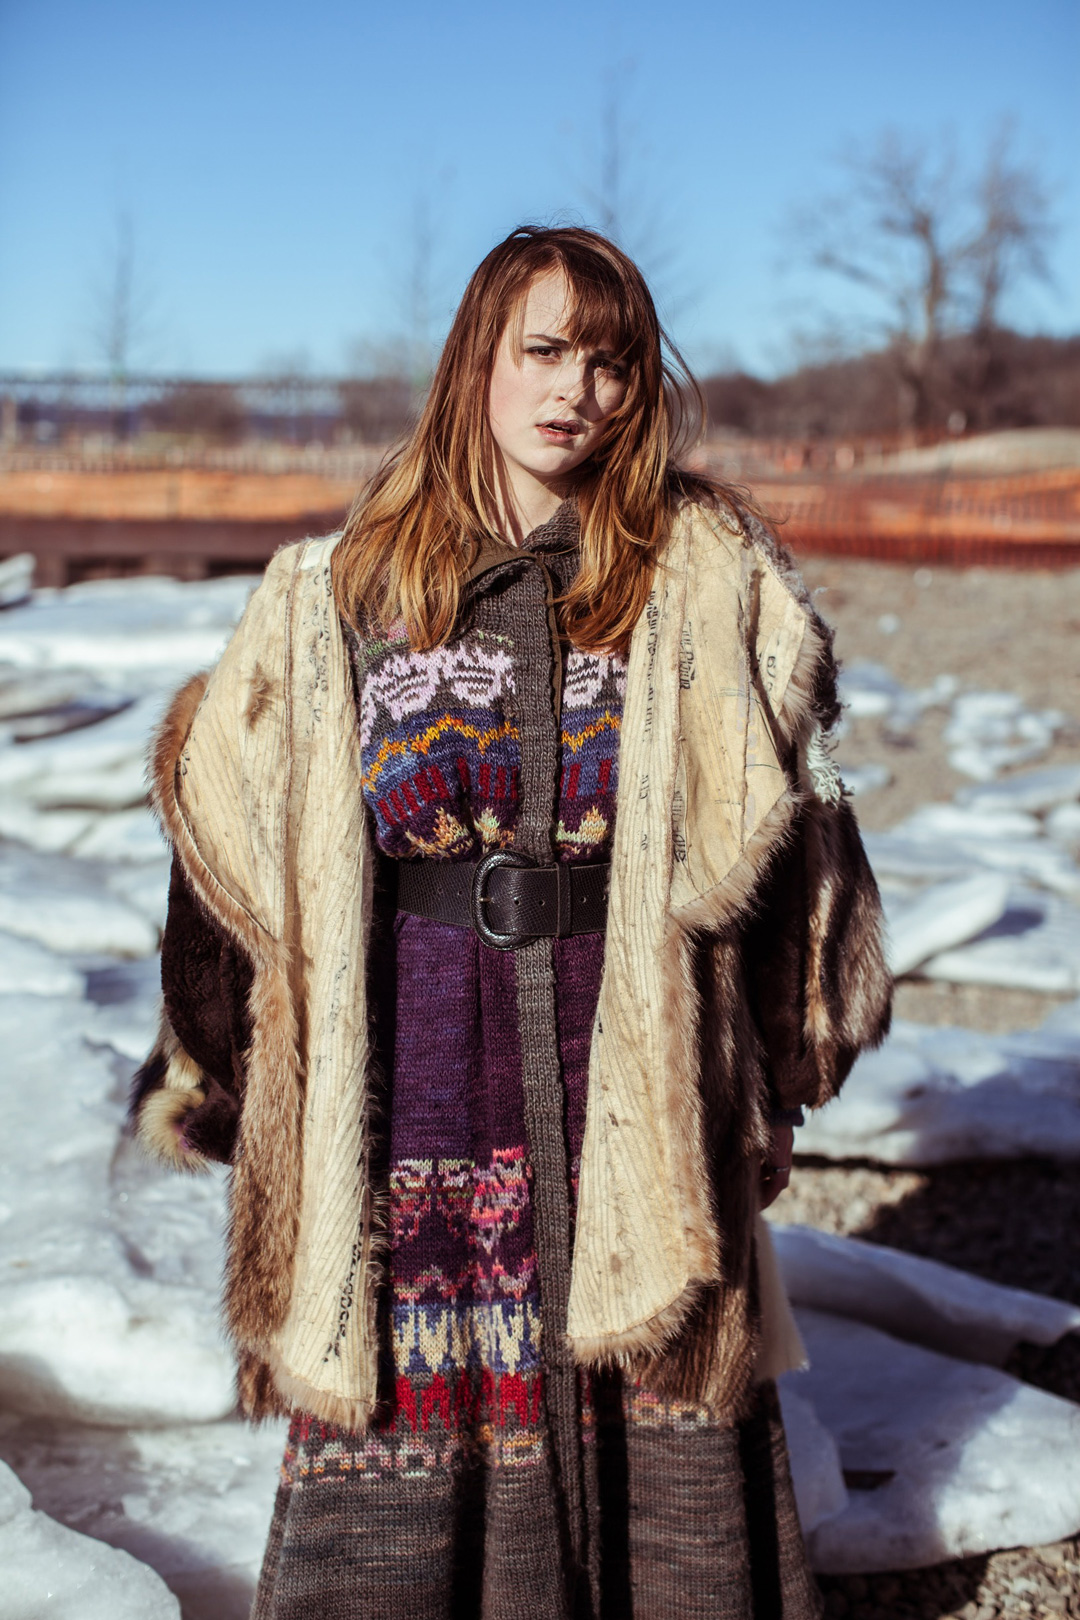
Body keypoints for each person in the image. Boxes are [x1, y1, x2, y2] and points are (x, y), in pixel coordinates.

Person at [131, 225, 891, 1620]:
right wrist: (224, 1071)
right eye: (544, 351)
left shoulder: (702, 578)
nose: (576, 391)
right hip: (411, 1053)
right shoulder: (341, 589)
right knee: (414, 1386)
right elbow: (226, 832)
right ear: (476, 359)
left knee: (656, 1371)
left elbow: (799, 833)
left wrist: (782, 1073)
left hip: (636, 1052)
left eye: (610, 362)